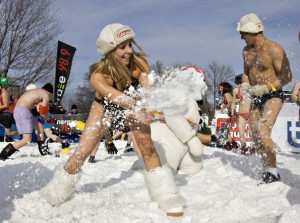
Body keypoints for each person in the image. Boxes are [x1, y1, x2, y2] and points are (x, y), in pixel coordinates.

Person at [40, 23, 185, 216]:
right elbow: (119, 99)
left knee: (146, 144)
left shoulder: (140, 63)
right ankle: (56, 190)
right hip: (105, 108)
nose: (128, 51)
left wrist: (151, 100)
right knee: (83, 151)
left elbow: (147, 90)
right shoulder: (98, 75)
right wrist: (139, 104)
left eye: (130, 45)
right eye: (122, 47)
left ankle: (165, 194)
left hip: (134, 103)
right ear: (109, 50)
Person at [237, 13, 292, 183]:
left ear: (252, 32)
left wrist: (268, 87)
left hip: (273, 94)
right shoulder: (246, 51)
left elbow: (287, 76)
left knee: (263, 130)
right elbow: (246, 73)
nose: (241, 37)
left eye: (243, 33)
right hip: (255, 95)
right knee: (255, 134)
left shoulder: (274, 49)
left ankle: (274, 173)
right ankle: (267, 168)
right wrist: (245, 85)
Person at [0, 83, 55, 160]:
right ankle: (4, 154)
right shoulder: (45, 94)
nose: (49, 97)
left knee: (40, 127)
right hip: (23, 111)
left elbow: (37, 109)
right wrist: (49, 119)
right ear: (49, 92)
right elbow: (43, 112)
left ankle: (44, 151)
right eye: (50, 95)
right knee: (27, 139)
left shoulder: (35, 91)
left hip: (22, 110)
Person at [231, 74, 253, 155]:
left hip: (250, 113)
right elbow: (233, 103)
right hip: (241, 114)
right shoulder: (236, 90)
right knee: (241, 134)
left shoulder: (252, 89)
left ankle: (253, 147)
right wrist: (232, 114)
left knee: (252, 134)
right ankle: (243, 147)